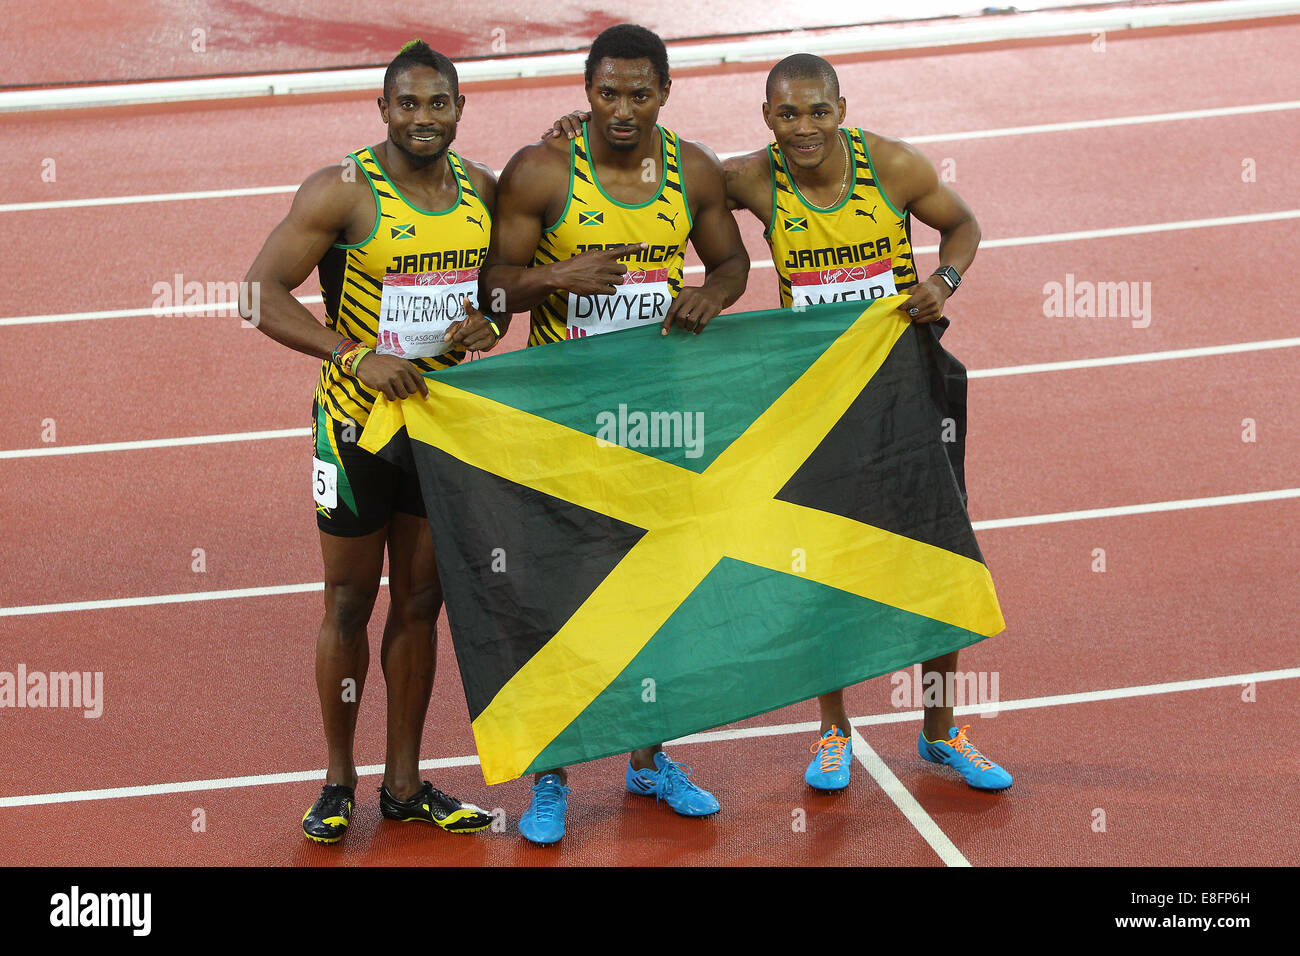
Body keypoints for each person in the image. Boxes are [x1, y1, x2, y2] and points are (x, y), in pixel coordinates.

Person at [545, 53, 1012, 796]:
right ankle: (833, 729)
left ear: (841, 108)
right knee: (822, 559)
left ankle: (940, 728)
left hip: (904, 383)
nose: (804, 129)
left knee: (935, 549)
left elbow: (963, 225)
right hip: (813, 399)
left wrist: (942, 281)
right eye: (788, 115)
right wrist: (590, 135)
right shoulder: (751, 179)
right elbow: (670, 170)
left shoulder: (891, 166)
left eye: (818, 112)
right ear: (767, 118)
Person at [480, 23, 750, 845]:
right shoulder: (541, 171)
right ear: (585, 91)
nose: (623, 108)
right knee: (555, 598)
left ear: (665, 93)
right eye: (608, 93)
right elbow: (492, 292)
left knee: (653, 595)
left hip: (657, 418)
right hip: (558, 422)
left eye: (640, 93)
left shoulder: (693, 170)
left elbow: (732, 262)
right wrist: (555, 277)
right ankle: (551, 776)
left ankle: (647, 759)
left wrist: (713, 296)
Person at [244, 40, 501, 844]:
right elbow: (257, 294)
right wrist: (354, 354)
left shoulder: (485, 191)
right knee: (350, 602)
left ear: (459, 109)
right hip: (356, 428)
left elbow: (501, 284)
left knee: (421, 605)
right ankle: (336, 781)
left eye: (438, 104)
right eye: (408, 104)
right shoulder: (341, 192)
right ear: (383, 109)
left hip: (440, 428)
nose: (423, 119)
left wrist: (488, 320)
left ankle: (403, 783)